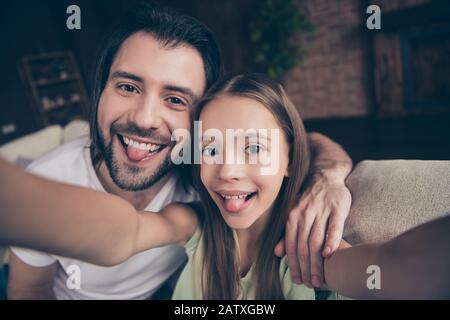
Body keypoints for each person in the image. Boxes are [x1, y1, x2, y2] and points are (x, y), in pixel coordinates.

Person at [7, 4, 352, 300]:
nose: (144, 119)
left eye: (175, 99)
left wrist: (329, 178)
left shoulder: (205, 170)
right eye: (127, 87)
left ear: (203, 118)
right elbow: (29, 290)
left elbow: (306, 143)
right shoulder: (48, 176)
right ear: (100, 91)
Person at [1, 74, 448, 299]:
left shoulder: (308, 250)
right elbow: (127, 232)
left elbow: (396, 266)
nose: (228, 171)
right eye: (211, 149)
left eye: (253, 148)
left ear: (290, 158)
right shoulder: (196, 223)